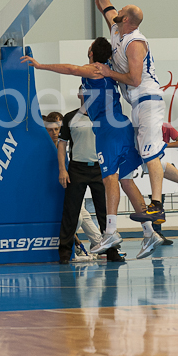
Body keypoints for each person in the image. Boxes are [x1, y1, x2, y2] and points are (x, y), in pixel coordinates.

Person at [77, 0, 178, 223]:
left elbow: (134, 79)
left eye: (121, 10)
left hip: (147, 99)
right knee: (150, 156)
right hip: (137, 103)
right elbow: (105, 2)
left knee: (150, 154)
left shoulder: (135, 43)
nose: (117, 9)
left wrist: (108, 72)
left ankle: (157, 205)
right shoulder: (116, 30)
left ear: (126, 19)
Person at [22, 38, 164, 259]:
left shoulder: (94, 70)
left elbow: (70, 68)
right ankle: (149, 232)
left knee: (109, 179)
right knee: (126, 181)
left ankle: (110, 232)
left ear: (90, 52)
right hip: (123, 126)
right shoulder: (109, 69)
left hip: (109, 131)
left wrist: (41, 66)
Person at [57, 88, 121, 264]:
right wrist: (62, 169)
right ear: (78, 95)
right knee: (71, 212)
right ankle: (64, 253)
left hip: (100, 169)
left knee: (105, 212)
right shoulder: (70, 117)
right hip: (77, 169)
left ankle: (112, 251)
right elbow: (62, 145)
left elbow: (112, 141)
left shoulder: (104, 116)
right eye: (84, 91)